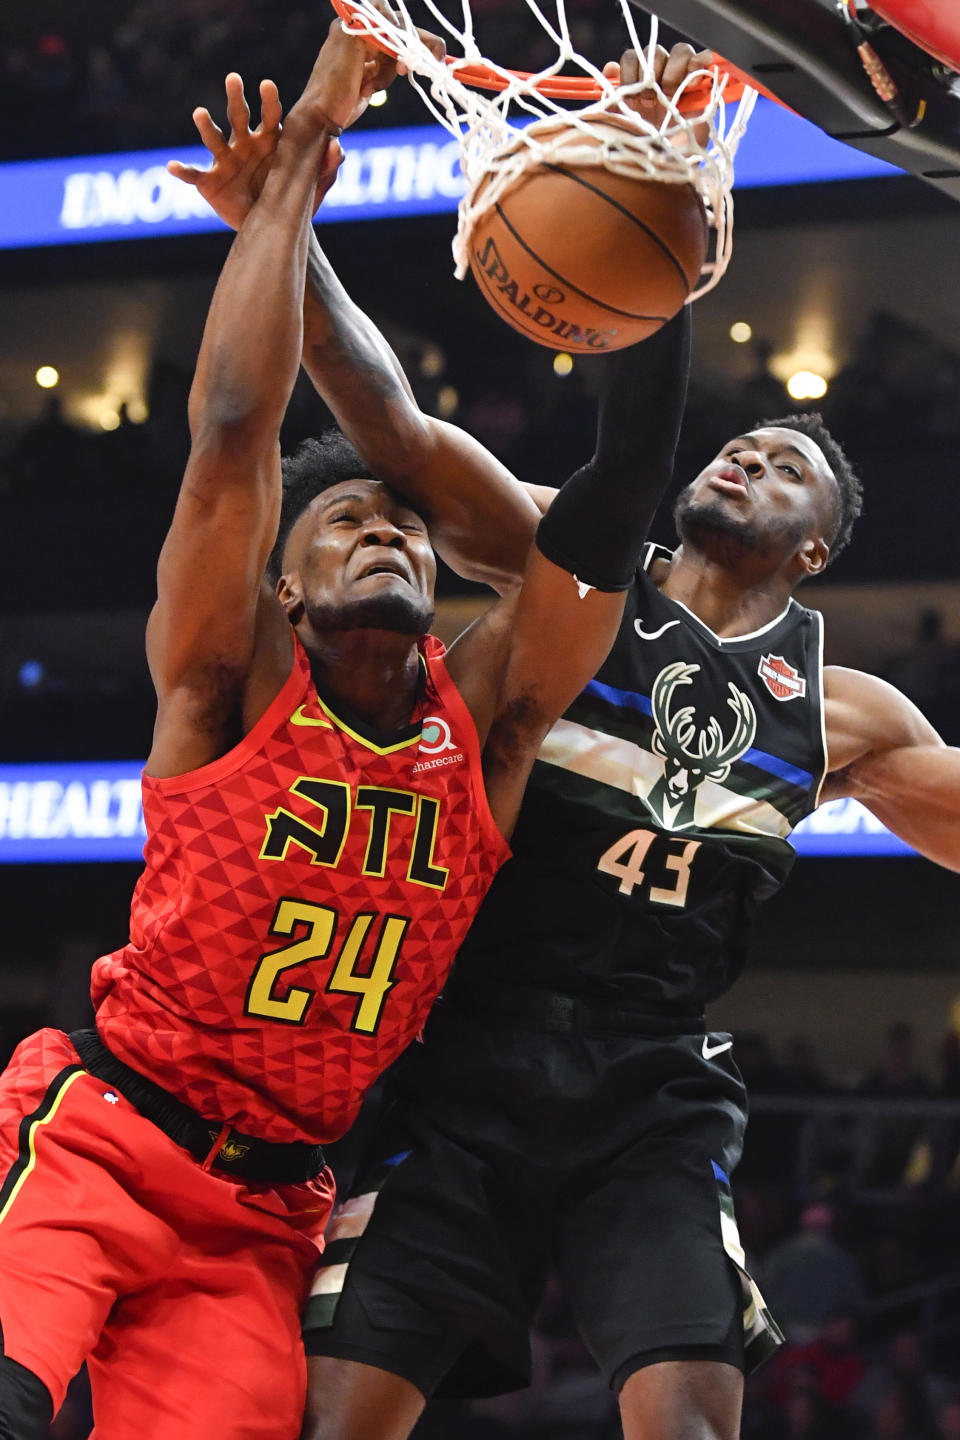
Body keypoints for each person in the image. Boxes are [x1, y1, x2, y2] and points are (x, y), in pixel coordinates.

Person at [175, 40, 960, 1440]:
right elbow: (396, 433)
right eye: (743, 443)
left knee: (694, 1419)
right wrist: (286, 241)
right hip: (462, 1048)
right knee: (338, 1416)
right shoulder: (572, 561)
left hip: (651, 1081)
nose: (746, 458)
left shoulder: (846, 712)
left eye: (786, 465)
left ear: (820, 545)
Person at [0, 25, 693, 1440]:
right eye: (343, 524)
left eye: (400, 523)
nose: (381, 528)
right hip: (106, 1136)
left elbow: (614, 504)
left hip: (268, 1204)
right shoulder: (222, 685)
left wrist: (660, 226)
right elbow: (239, 424)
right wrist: (305, 149)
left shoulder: (486, 720)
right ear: (283, 586)